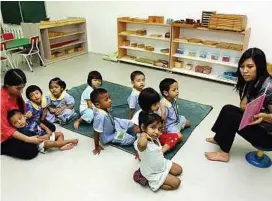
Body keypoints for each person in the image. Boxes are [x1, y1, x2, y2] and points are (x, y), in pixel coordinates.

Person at [205, 48, 272, 162]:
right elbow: (243, 107)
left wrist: (266, 117)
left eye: (250, 67)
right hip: (258, 122)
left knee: (233, 118)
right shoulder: (253, 81)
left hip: (267, 135)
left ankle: (224, 153)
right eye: (242, 66)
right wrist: (247, 87)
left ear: (260, 67)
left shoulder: (269, 87)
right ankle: (218, 138)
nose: (244, 71)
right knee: (228, 108)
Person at [1, 69, 43, 159]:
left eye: (22, 87)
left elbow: (22, 110)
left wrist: (27, 114)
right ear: (7, 85)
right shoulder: (2, 101)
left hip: (18, 126)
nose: (21, 91)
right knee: (31, 151)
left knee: (46, 126)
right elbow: (5, 130)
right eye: (18, 88)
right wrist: (28, 139)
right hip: (5, 136)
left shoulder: (15, 93)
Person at [134, 112, 182, 191]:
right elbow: (142, 145)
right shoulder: (140, 141)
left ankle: (164, 175)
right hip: (152, 172)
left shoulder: (155, 137)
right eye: (153, 127)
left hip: (161, 163)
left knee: (179, 170)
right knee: (176, 183)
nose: (157, 132)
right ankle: (150, 182)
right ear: (143, 127)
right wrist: (143, 134)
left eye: (159, 129)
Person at [8, 109, 78, 152]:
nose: (19, 122)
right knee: (53, 143)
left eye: (20, 118)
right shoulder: (22, 131)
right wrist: (45, 137)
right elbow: (35, 138)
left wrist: (47, 130)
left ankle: (61, 146)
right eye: (15, 122)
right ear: (13, 126)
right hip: (41, 143)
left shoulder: (31, 120)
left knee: (60, 134)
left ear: (24, 116)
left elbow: (41, 124)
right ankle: (69, 141)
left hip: (46, 135)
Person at [91, 88, 135, 155]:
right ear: (97, 105)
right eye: (106, 100)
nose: (110, 101)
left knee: (132, 122)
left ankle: (124, 130)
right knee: (131, 139)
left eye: (109, 98)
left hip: (114, 123)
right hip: (111, 135)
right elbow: (96, 132)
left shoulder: (102, 107)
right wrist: (96, 146)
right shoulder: (100, 117)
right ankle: (121, 134)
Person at [159, 78, 191, 152]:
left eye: (177, 89)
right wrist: (164, 130)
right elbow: (162, 119)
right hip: (170, 125)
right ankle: (167, 142)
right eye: (174, 90)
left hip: (177, 119)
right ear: (166, 93)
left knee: (188, 123)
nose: (177, 91)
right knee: (180, 137)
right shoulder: (164, 105)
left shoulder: (173, 98)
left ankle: (178, 129)